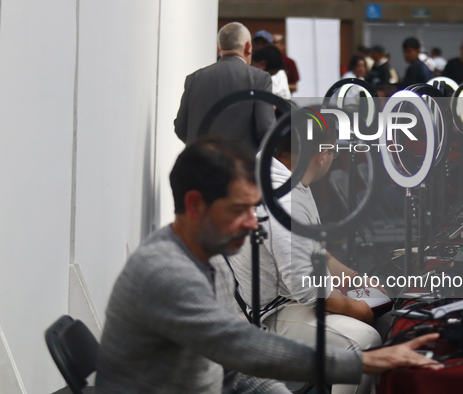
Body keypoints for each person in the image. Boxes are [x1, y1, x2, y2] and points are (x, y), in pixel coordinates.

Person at [95, 136, 442, 394]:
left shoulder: (208, 260)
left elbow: (232, 367)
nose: (252, 222)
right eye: (239, 210)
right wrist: (366, 361)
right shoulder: (168, 274)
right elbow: (244, 349)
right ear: (196, 205)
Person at [229, 122, 388, 394]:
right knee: (364, 342)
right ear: (322, 154)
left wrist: (353, 278)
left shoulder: (281, 175)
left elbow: (313, 250)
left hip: (284, 296)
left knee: (379, 316)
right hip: (269, 314)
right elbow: (309, 291)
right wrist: (357, 308)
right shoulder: (284, 199)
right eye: (334, 152)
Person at [174, 22, 275, 151]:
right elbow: (266, 128)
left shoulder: (194, 78)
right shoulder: (259, 78)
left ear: (218, 48)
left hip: (199, 164)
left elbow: (181, 128)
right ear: (248, 47)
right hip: (239, 166)